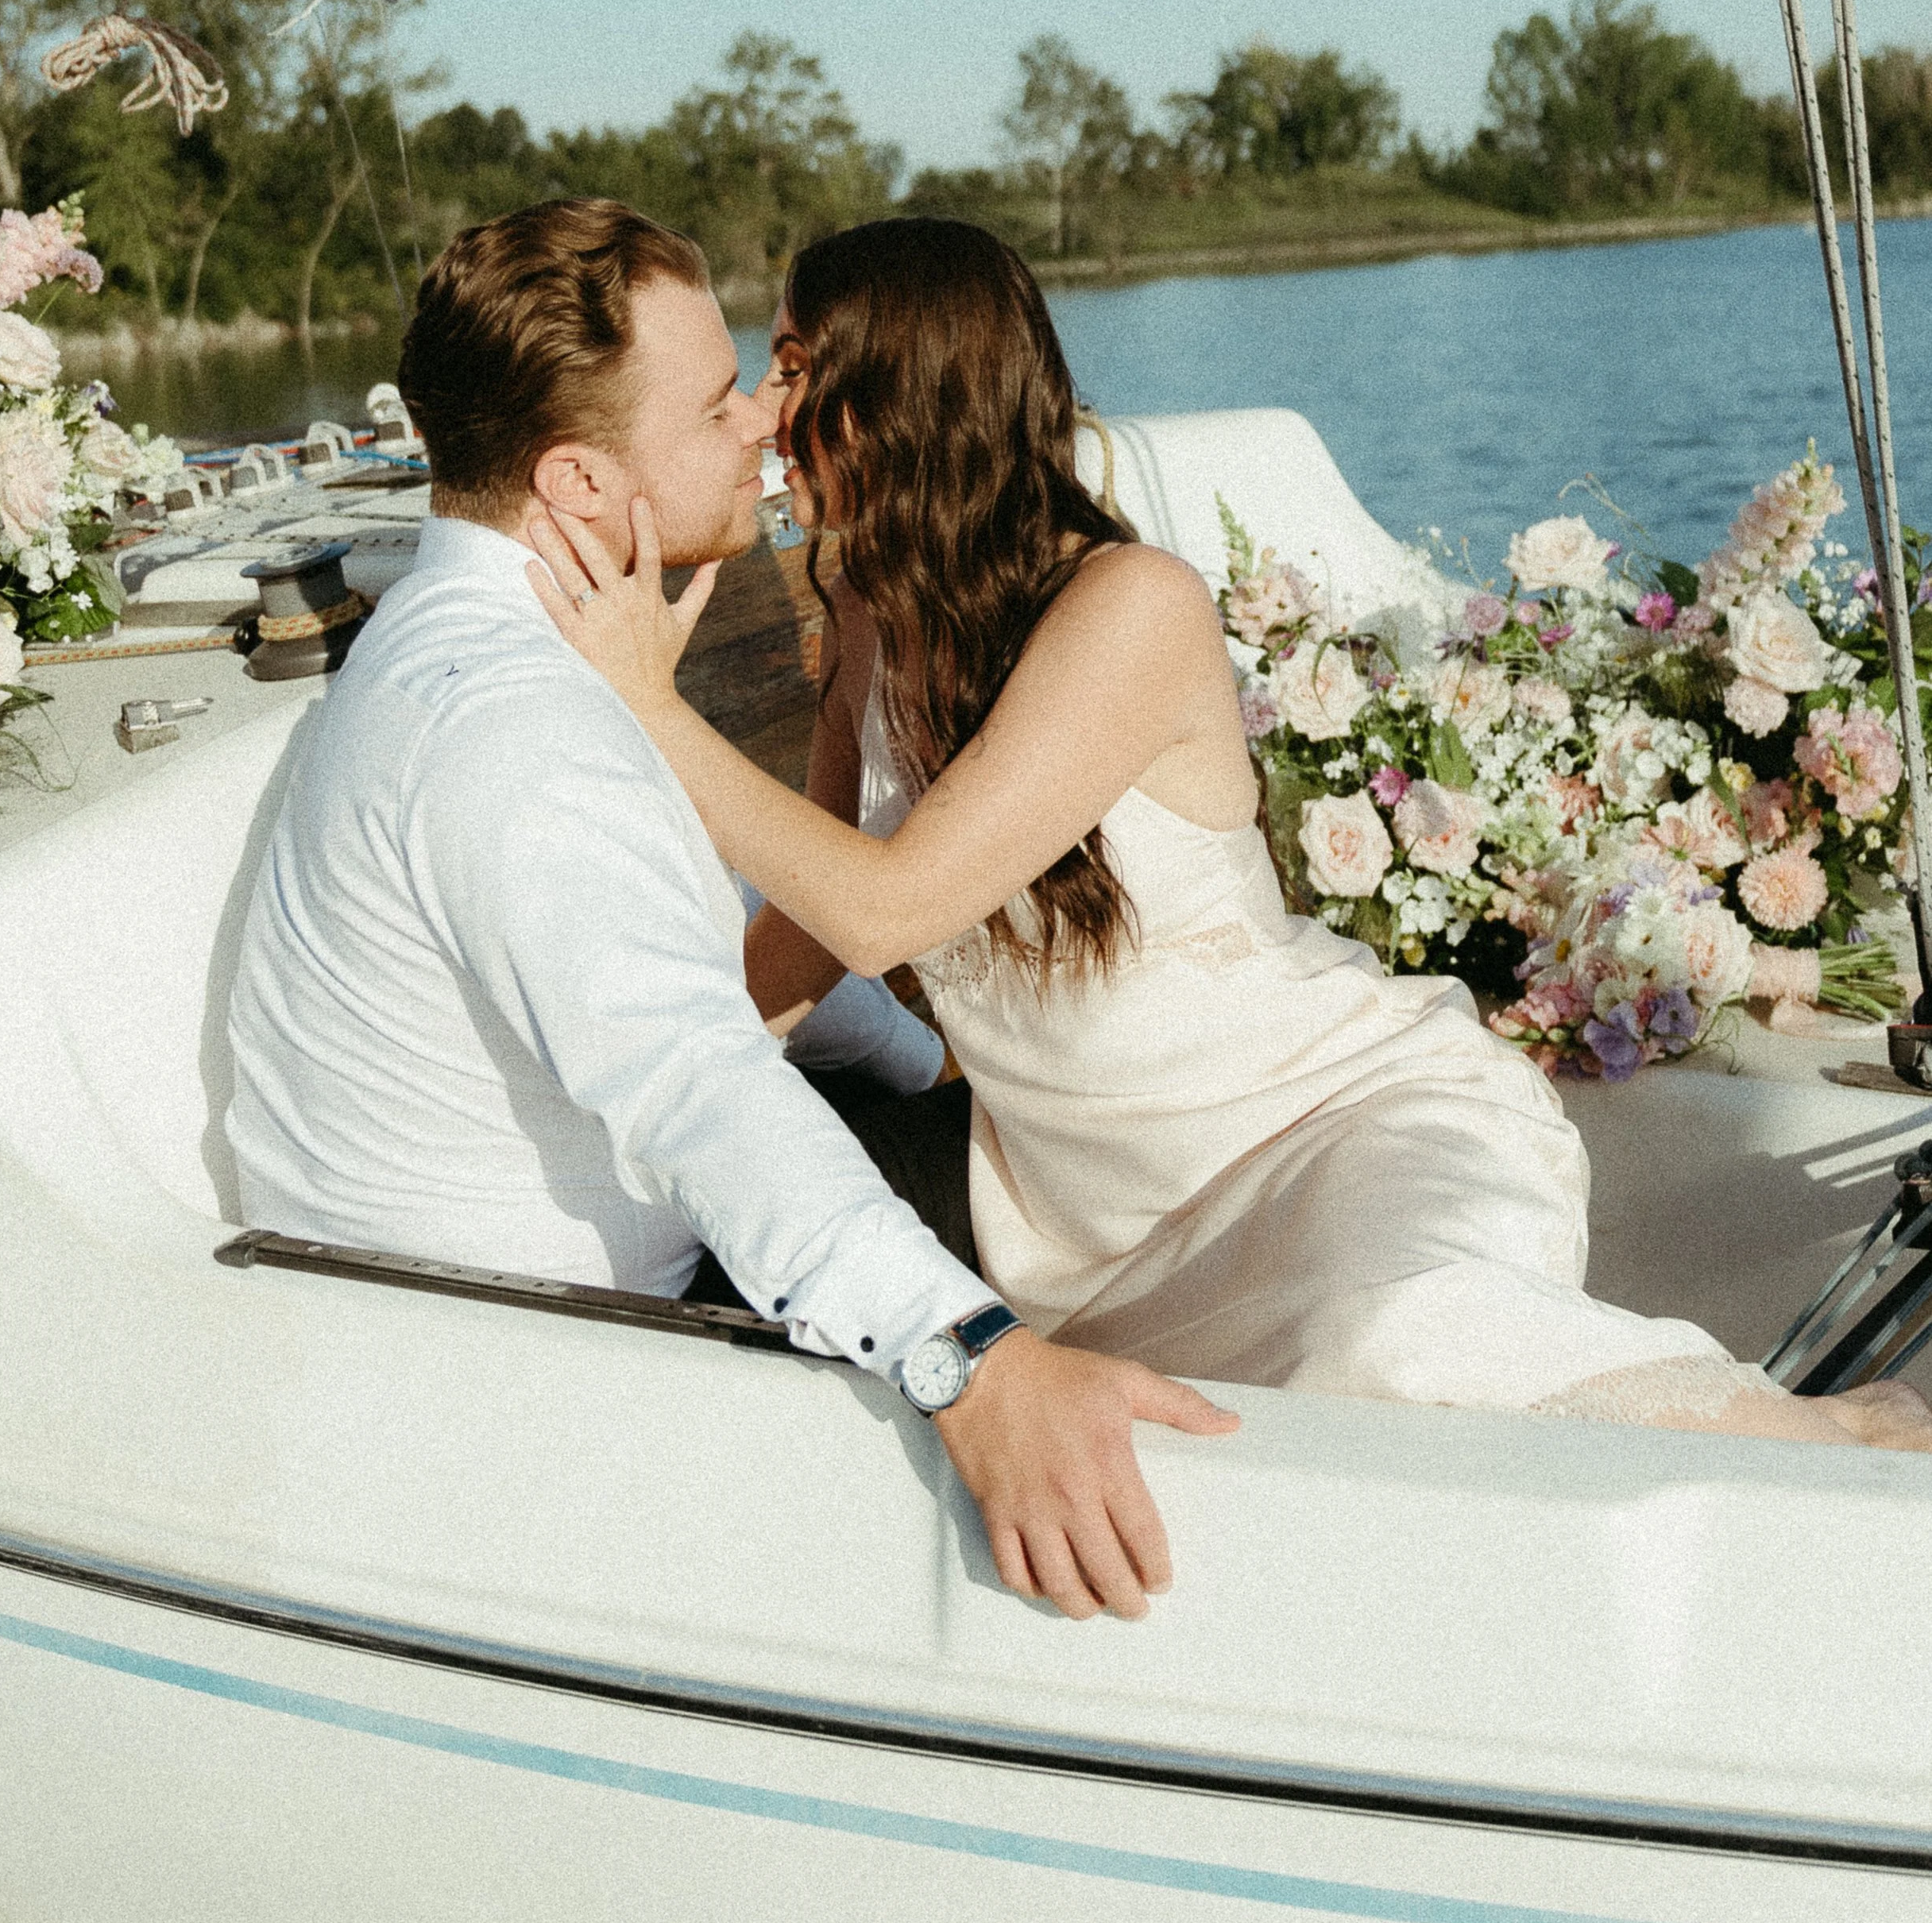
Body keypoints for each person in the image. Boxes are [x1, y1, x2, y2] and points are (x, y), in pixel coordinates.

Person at [529, 216, 1932, 1454]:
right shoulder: (873, 617)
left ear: (903, 393)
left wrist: (649, 702)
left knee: (1400, 1337)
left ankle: (1844, 1439)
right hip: (1100, 1240)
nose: (769, 411)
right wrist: (630, 1101)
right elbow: (819, 931)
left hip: (1334, 1130)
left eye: (793, 366)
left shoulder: (1131, 607)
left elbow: (891, 906)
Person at [226, 199, 1238, 1626]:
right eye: (716, 405)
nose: (766, 419)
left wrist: (916, 1072)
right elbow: (693, 1082)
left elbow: (711, 969)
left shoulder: (489, 626)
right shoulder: (510, 732)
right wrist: (973, 1366)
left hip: (589, 1257)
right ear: (581, 483)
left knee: (1084, 1167)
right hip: (513, 1360)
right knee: (1122, 1254)